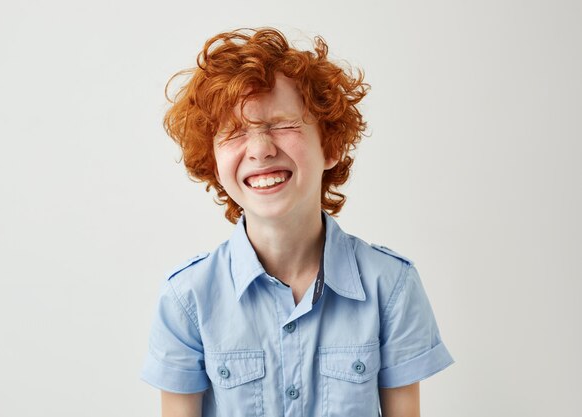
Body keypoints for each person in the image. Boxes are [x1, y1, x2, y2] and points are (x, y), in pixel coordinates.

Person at [141, 27, 453, 417]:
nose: (259, 149)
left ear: (331, 145)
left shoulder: (391, 286)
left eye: (282, 124)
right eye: (235, 132)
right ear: (212, 161)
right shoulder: (186, 299)